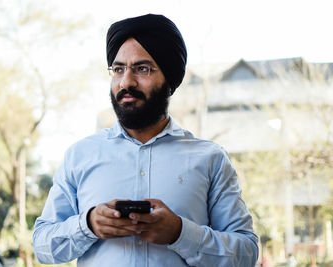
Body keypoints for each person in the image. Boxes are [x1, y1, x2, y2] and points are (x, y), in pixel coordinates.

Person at [33, 14, 259, 267]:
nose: (126, 82)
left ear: (169, 80)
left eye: (142, 69)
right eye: (118, 69)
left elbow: (246, 254)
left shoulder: (210, 159)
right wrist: (88, 225)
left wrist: (179, 233)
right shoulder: (80, 155)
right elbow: (43, 245)